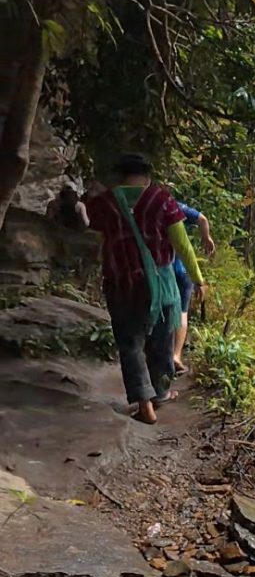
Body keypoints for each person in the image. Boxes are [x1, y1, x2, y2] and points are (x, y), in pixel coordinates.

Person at [79, 153, 206, 425]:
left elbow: (93, 227)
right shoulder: (162, 200)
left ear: (120, 175)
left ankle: (144, 403)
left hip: (120, 283)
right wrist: (198, 278)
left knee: (130, 343)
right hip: (160, 286)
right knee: (161, 340)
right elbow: (182, 245)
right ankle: (160, 393)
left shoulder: (105, 202)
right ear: (148, 174)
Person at [172, 201, 215, 374]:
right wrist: (207, 238)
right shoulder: (174, 206)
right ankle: (176, 354)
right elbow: (202, 219)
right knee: (182, 312)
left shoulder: (142, 208)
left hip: (155, 270)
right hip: (180, 269)